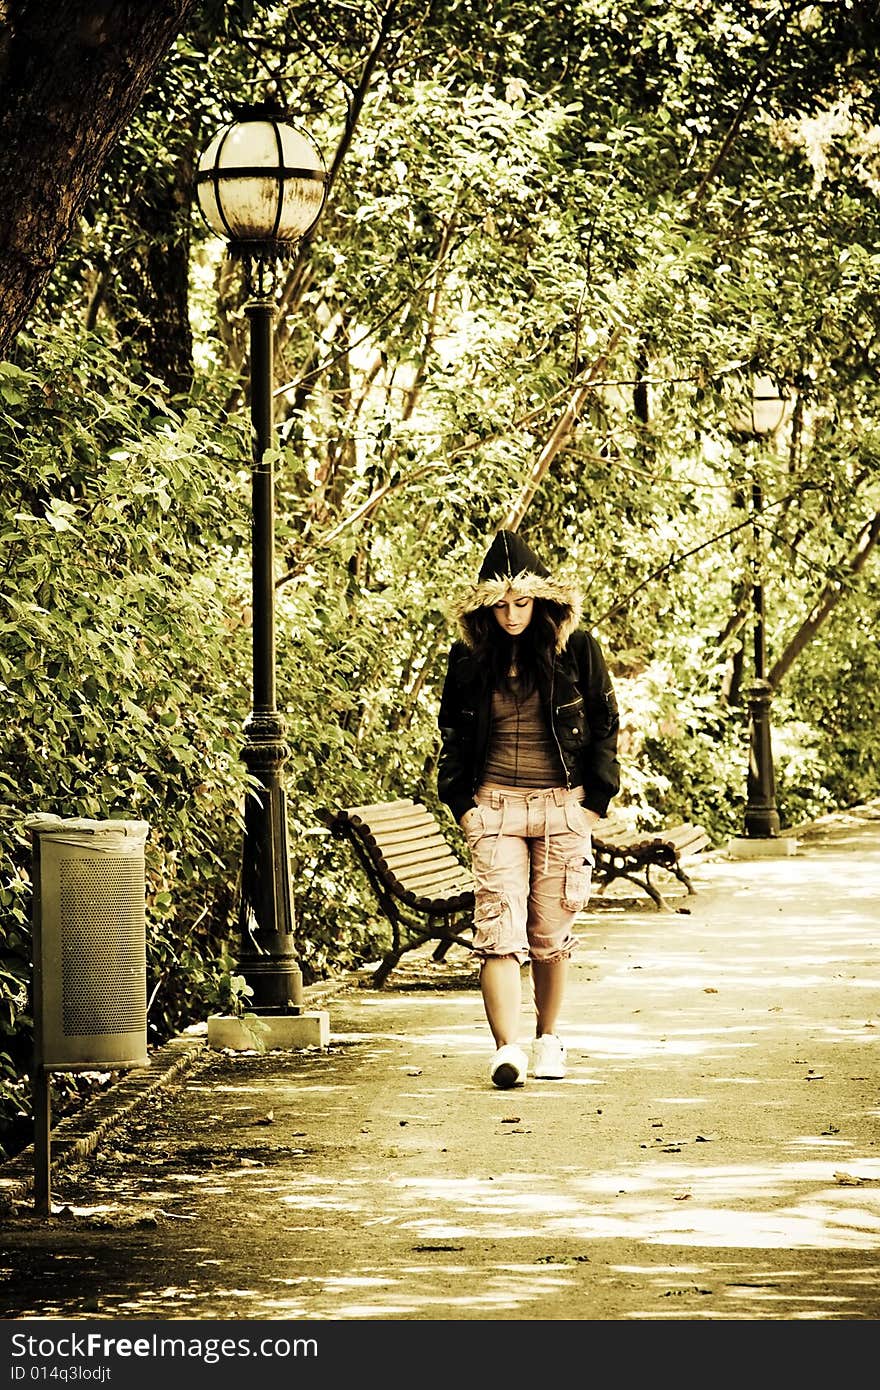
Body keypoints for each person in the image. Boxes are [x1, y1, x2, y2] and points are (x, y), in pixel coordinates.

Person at [437, 529, 620, 1089]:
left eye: (521, 603)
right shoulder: (468, 660)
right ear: (485, 608)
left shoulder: (576, 650)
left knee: (549, 934)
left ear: (541, 602)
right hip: (494, 810)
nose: (512, 615)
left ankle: (547, 1039)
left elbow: (606, 725)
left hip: (562, 809)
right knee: (498, 932)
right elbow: (452, 735)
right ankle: (506, 1050)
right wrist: (462, 805)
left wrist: (594, 804)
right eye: (500, 605)